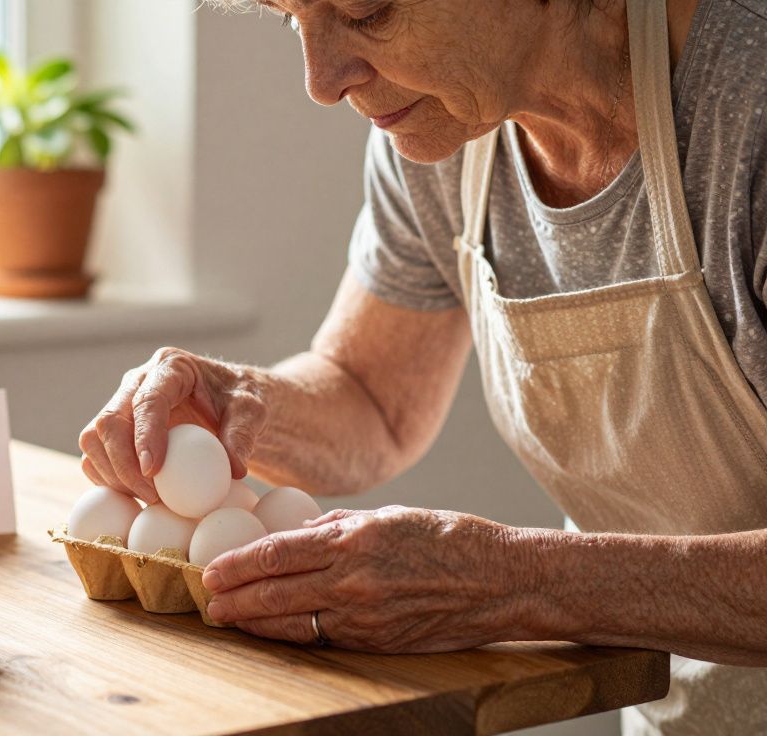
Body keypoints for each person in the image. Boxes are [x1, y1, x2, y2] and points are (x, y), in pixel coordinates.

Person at [77, 1, 767, 733]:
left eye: (366, 11)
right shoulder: (449, 126)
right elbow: (371, 398)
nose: (320, 82)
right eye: (291, 19)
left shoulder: (746, 107)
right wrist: (238, 401)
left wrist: (513, 580)